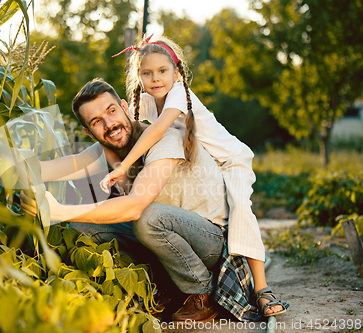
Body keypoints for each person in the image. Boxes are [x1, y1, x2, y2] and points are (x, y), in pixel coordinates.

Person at [23, 78, 268, 322]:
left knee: (146, 218)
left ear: (124, 107)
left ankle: (201, 293)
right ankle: (161, 288)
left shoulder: (165, 138)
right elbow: (44, 169)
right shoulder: (104, 151)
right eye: (97, 121)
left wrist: (58, 210)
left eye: (111, 111)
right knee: (82, 228)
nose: (110, 124)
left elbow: (136, 206)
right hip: (167, 240)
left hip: (210, 241)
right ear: (88, 131)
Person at [95, 35, 288, 317]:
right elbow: (124, 125)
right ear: (139, 76)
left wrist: (124, 168)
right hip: (211, 165)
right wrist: (110, 149)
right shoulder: (149, 100)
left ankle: (262, 289)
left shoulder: (177, 93)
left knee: (241, 213)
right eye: (147, 73)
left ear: (177, 72)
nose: (155, 78)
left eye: (162, 71)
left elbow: (158, 129)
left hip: (232, 159)